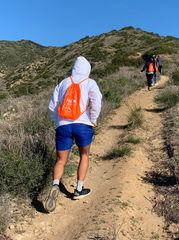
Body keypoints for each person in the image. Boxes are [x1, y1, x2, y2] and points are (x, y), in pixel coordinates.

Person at [45, 56, 102, 213]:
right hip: (83, 125)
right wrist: (93, 119)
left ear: (74, 68)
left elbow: (52, 105)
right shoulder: (90, 82)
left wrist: (58, 121)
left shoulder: (63, 83)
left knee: (61, 159)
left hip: (63, 126)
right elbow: (97, 101)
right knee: (84, 156)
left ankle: (55, 184)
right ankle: (78, 189)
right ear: (87, 69)